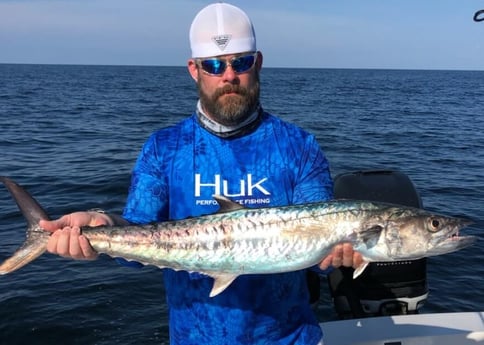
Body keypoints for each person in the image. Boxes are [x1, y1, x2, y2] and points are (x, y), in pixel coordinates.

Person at [40, 3, 362, 344]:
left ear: (258, 63)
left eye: (241, 62)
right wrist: (101, 225)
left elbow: (317, 256)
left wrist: (337, 257)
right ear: (194, 70)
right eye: (213, 65)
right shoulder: (163, 148)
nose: (228, 76)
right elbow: (133, 247)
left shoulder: (300, 146)